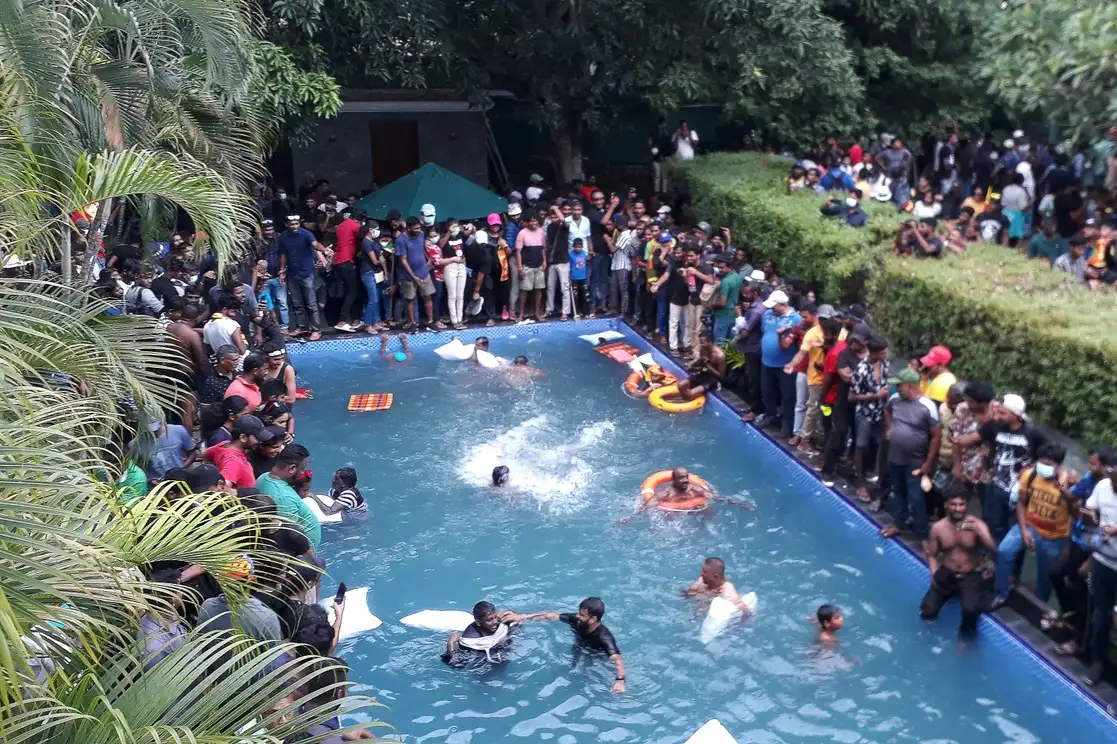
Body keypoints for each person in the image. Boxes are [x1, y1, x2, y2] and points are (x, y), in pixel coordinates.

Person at [955, 393, 1048, 542]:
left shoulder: (1033, 434)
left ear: (1016, 415)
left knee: (1012, 528)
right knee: (993, 524)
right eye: (998, 411)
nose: (998, 415)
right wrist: (957, 439)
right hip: (997, 487)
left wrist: (1032, 467)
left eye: (1003, 413)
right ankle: (991, 553)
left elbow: (1049, 458)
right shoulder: (993, 427)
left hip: (1019, 491)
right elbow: (972, 439)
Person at [992, 442, 1074, 608]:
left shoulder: (1069, 482)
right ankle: (1000, 594)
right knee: (1004, 550)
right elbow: (1022, 503)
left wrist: (1068, 544)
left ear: (1058, 465)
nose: (1043, 467)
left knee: (1044, 575)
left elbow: (1075, 512)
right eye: (1041, 462)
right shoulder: (1030, 475)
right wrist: (1024, 530)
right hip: (1029, 525)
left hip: (1054, 536)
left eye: (1048, 464)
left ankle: (1039, 605)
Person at [920, 487, 997, 635]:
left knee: (970, 610)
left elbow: (994, 550)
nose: (958, 508)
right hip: (947, 572)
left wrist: (979, 531)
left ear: (966, 505)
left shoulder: (977, 524)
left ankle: (965, 641)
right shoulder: (938, 528)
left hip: (970, 574)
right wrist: (934, 573)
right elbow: (932, 554)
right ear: (946, 505)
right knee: (927, 610)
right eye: (953, 504)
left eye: (961, 504)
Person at [879, 367, 941, 547]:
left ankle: (922, 534)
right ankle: (899, 523)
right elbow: (887, 412)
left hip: (915, 459)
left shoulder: (927, 406)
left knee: (916, 496)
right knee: (898, 491)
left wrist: (928, 463)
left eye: (899, 386)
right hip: (894, 456)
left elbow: (936, 435)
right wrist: (889, 428)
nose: (896, 388)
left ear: (910, 386)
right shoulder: (895, 399)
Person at [523, 598, 626, 693]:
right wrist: (523, 617)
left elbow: (618, 660)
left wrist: (620, 681)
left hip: (596, 655)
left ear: (593, 619)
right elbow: (550, 616)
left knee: (586, 676)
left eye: (582, 615)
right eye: (579, 613)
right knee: (572, 669)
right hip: (579, 647)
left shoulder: (604, 637)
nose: (578, 616)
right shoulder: (577, 620)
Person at [1083, 466, 1117, 686]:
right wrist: (1090, 516)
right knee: (1100, 615)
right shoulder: (1103, 485)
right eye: (1113, 477)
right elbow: (1088, 511)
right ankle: (1097, 662)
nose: (1114, 483)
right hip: (1103, 561)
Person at [255, 443, 321, 553]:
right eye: (302, 469)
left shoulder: (264, 477)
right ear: (292, 469)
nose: (302, 473)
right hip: (302, 557)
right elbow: (290, 538)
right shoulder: (284, 498)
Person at [756, 290, 801, 437]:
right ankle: (770, 415)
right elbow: (765, 332)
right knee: (766, 391)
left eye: (774, 306)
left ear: (783, 305)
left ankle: (788, 424)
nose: (771, 309)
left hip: (785, 364)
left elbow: (790, 343)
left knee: (787, 395)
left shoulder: (795, 319)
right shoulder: (767, 315)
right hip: (767, 362)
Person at [278, 214, 330, 341]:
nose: (295, 226)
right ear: (287, 225)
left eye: (297, 224)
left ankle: (316, 329)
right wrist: (282, 269)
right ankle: (302, 327)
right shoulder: (283, 236)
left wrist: (324, 250)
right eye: (292, 224)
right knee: (297, 303)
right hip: (292, 273)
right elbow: (284, 254)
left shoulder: (306, 234)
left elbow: (315, 244)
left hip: (307, 273)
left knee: (311, 303)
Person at [442, 601, 524, 667]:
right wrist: (450, 644)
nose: (495, 621)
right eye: (489, 620)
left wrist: (516, 619)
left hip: (505, 654)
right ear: (478, 622)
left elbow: (518, 624)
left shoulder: (501, 620)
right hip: (486, 665)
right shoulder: (470, 638)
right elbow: (456, 664)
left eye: (495, 616)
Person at [205, 415, 277, 488]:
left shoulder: (224, 444)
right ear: (243, 437)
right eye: (257, 438)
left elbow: (206, 455)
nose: (260, 442)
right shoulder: (234, 461)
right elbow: (221, 489)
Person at [395, 217, 439, 331]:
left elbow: (421, 248)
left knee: (427, 296)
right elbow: (403, 259)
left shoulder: (421, 234)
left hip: (423, 272)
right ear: (409, 228)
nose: (418, 230)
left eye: (419, 227)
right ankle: (413, 322)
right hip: (408, 275)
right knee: (410, 299)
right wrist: (413, 276)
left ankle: (430, 322)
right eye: (416, 228)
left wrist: (428, 259)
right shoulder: (401, 240)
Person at [682, 557, 754, 615]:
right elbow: (687, 594)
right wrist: (705, 594)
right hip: (695, 616)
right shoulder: (702, 580)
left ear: (716, 576)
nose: (701, 574)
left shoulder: (727, 592)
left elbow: (745, 611)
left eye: (705, 572)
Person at [132, 419, 198, 481]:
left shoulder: (178, 430)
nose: (153, 433)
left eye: (155, 431)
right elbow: (136, 469)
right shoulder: (135, 444)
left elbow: (193, 452)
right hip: (157, 486)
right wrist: (149, 480)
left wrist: (181, 469)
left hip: (181, 479)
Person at [514, 210, 547, 322]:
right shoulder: (522, 233)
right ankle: (521, 313)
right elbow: (518, 252)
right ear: (527, 222)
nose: (533, 223)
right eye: (531, 221)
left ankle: (537, 312)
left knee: (539, 290)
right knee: (524, 290)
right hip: (527, 265)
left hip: (539, 265)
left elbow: (543, 248)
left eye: (535, 221)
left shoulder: (541, 232)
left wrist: (544, 261)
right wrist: (520, 268)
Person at [675, 331, 726, 401]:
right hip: (703, 374)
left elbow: (721, 376)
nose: (700, 345)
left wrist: (708, 365)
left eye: (703, 343)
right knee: (680, 385)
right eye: (700, 342)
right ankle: (686, 401)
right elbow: (701, 362)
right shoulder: (703, 349)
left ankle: (688, 402)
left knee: (690, 393)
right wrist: (692, 364)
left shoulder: (719, 356)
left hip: (713, 380)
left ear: (710, 342)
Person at [710, 252, 741, 342]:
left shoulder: (726, 281)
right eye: (719, 268)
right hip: (733, 313)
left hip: (723, 315)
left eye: (722, 268)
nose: (720, 270)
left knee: (719, 342)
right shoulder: (737, 277)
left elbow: (722, 303)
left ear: (729, 267)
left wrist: (711, 305)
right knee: (730, 342)